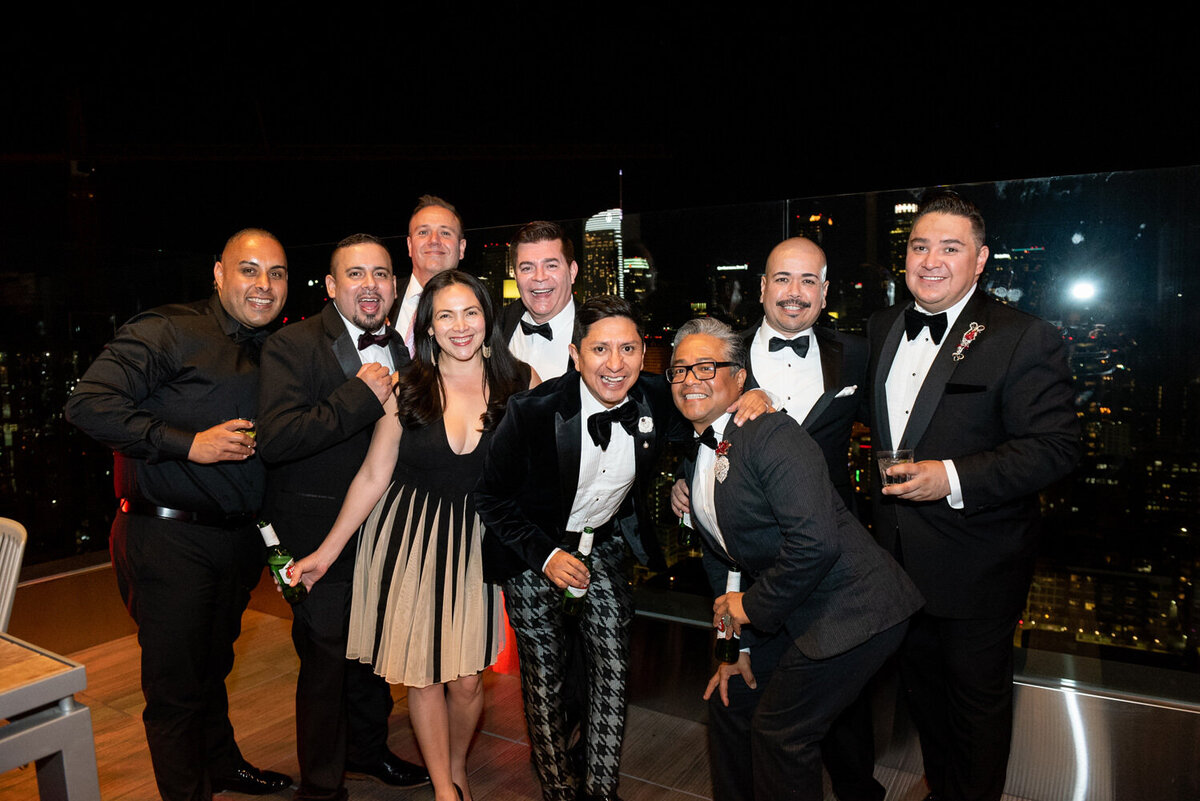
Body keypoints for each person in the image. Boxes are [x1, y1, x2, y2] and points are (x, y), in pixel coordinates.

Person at [475, 297, 772, 801]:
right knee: (544, 680)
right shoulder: (532, 412)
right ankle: (558, 789)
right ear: (576, 355)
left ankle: (601, 789)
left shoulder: (656, 396)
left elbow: (704, 422)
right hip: (535, 552)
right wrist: (546, 557)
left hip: (604, 543)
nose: (615, 364)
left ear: (643, 354)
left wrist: (755, 392)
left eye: (628, 349)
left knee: (613, 669)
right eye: (601, 350)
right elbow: (492, 498)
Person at [288, 269, 536, 801]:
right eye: (445, 314)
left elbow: (540, 473)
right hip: (410, 538)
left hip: (477, 542)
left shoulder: (521, 382)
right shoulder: (407, 385)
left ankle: (454, 764)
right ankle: (446, 789)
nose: (460, 325)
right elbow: (374, 475)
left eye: (470, 312)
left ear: (488, 318)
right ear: (428, 326)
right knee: (423, 674)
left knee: (468, 679)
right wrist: (326, 554)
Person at [65, 228, 292, 800]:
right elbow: (87, 403)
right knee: (175, 691)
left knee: (212, 667)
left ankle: (221, 765)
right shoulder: (167, 329)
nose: (264, 285)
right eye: (249, 270)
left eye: (277, 273)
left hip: (238, 542)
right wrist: (188, 443)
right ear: (218, 273)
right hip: (166, 537)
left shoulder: (279, 349)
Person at [867, 189, 1079, 801]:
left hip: (979, 565)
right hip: (897, 565)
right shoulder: (883, 326)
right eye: (919, 246)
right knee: (924, 700)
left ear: (980, 260)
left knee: (977, 713)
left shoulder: (1023, 336)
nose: (930, 260)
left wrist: (951, 477)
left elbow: (1056, 449)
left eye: (951, 248)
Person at [669, 317, 923, 801]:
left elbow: (815, 545)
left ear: (739, 377)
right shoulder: (696, 456)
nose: (689, 381)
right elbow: (722, 567)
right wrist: (732, 650)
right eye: (680, 371)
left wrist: (752, 610)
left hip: (855, 607)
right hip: (791, 605)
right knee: (729, 700)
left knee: (781, 731)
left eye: (706, 367)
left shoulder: (772, 435)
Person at [257, 234, 427, 800]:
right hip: (319, 533)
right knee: (326, 664)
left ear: (395, 285)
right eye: (356, 275)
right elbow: (278, 440)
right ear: (332, 287)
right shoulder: (291, 345)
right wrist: (358, 396)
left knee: (375, 658)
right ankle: (323, 787)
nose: (370, 286)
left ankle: (368, 751)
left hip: (389, 532)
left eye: (381, 274)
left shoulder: (406, 351)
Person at [501, 220, 579, 379]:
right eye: (527, 268)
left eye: (551, 266)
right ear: (516, 276)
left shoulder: (597, 331)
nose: (539, 277)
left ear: (572, 272)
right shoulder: (495, 325)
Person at [396, 195, 467, 356]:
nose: (434, 240)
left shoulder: (481, 308)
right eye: (423, 232)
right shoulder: (382, 301)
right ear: (409, 245)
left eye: (445, 233)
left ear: (461, 248)